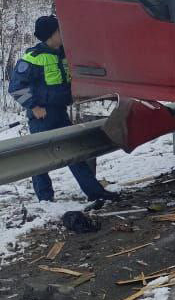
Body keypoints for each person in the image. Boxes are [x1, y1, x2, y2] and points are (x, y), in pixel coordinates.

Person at [8, 15, 119, 204]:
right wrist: (34, 106)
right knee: (41, 160)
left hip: (60, 112)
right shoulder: (32, 58)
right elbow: (16, 88)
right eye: (60, 31)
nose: (63, 34)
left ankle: (95, 193)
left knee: (74, 153)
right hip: (42, 116)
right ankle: (45, 199)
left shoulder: (64, 53)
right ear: (50, 35)